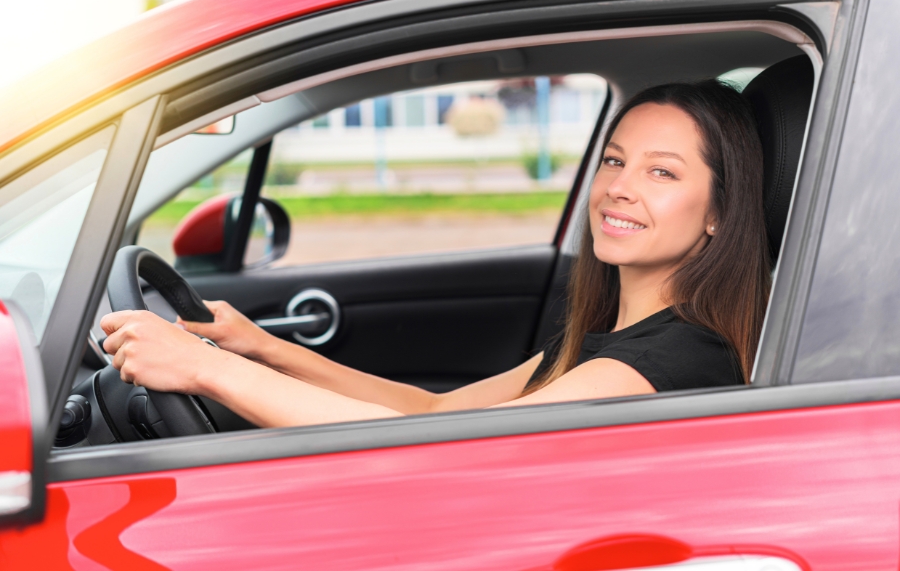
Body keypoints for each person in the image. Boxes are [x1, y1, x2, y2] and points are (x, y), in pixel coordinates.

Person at [101, 79, 771, 428]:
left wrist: (206, 372)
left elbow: (452, 449)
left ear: (718, 212)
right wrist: (260, 347)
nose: (618, 189)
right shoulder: (609, 342)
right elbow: (434, 415)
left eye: (662, 173)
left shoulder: (671, 361)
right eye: (614, 161)